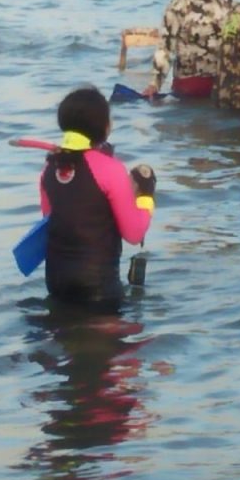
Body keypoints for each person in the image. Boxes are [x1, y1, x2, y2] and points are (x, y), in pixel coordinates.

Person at [40, 87, 155, 312]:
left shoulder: (48, 168)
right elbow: (134, 234)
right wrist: (146, 199)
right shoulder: (111, 169)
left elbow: (49, 220)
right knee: (109, 346)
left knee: (66, 342)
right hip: (98, 288)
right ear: (104, 127)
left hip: (56, 282)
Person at [144, 0, 234, 99]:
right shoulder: (178, 6)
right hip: (188, 88)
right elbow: (165, 48)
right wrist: (154, 84)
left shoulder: (229, 4)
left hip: (224, 86)